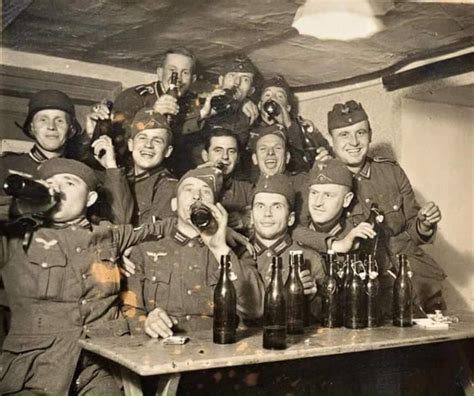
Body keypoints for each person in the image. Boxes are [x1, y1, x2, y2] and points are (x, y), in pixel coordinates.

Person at [0, 158, 172, 394]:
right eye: (49, 183)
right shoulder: (15, 238)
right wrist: (19, 205)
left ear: (90, 199)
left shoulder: (109, 235)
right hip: (37, 370)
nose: (56, 189)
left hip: (101, 367)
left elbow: (166, 228)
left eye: (68, 183)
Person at [327, 100, 446, 312]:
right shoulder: (322, 181)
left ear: (370, 135)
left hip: (417, 282)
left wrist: (424, 224)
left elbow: (413, 229)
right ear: (332, 140)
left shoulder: (391, 171)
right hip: (365, 291)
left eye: (360, 132)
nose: (354, 142)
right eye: (344, 134)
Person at [121, 167, 264, 337]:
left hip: (219, 353)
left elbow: (255, 309)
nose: (197, 196)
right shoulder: (145, 251)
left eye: (206, 191)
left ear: (216, 206)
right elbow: (129, 311)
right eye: (188, 189)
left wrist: (219, 249)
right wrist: (146, 323)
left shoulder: (236, 250)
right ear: (174, 204)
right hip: (162, 354)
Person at [112, 47, 220, 176]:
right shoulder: (134, 97)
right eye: (172, 70)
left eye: (185, 73)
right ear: (160, 73)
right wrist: (152, 115)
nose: (178, 78)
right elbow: (116, 137)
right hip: (130, 175)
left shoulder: (196, 105)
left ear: (193, 79)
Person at [249, 174, 325, 314]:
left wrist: (312, 297)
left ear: (290, 219)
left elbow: (324, 320)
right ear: (251, 217)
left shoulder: (310, 259)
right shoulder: (237, 256)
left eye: (277, 206)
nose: (267, 214)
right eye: (260, 206)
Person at [98, 108, 177, 226]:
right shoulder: (119, 175)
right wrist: (111, 167)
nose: (148, 145)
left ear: (167, 151)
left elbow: (122, 226)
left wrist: (112, 168)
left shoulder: (169, 186)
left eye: (157, 141)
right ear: (130, 145)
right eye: (142, 138)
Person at [294, 158, 376, 254]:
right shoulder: (297, 232)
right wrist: (334, 245)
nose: (318, 203)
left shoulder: (355, 238)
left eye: (328, 195)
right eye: (314, 193)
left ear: (347, 200)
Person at [258, 74, 332, 174]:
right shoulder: (251, 130)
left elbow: (319, 158)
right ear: (260, 105)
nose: (273, 99)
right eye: (267, 95)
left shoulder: (303, 128)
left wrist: (289, 126)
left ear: (287, 107)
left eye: (280, 96)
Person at [200, 126, 253, 234]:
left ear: (237, 158)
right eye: (218, 150)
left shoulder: (246, 189)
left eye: (231, 151)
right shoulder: (188, 186)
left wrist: (246, 219)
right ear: (205, 155)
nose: (225, 156)